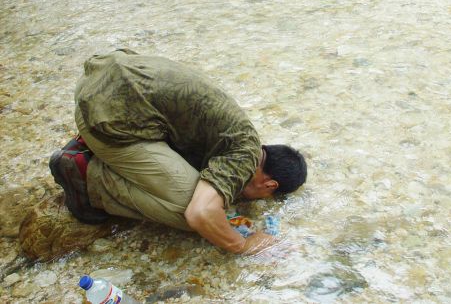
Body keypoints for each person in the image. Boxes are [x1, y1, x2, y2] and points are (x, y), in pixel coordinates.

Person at [49, 49, 307, 255]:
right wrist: (244, 245)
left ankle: (97, 146)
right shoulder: (243, 155)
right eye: (265, 196)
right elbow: (201, 214)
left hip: (96, 79)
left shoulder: (238, 135)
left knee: (196, 185)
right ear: (269, 185)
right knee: (198, 215)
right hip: (100, 117)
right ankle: (89, 176)